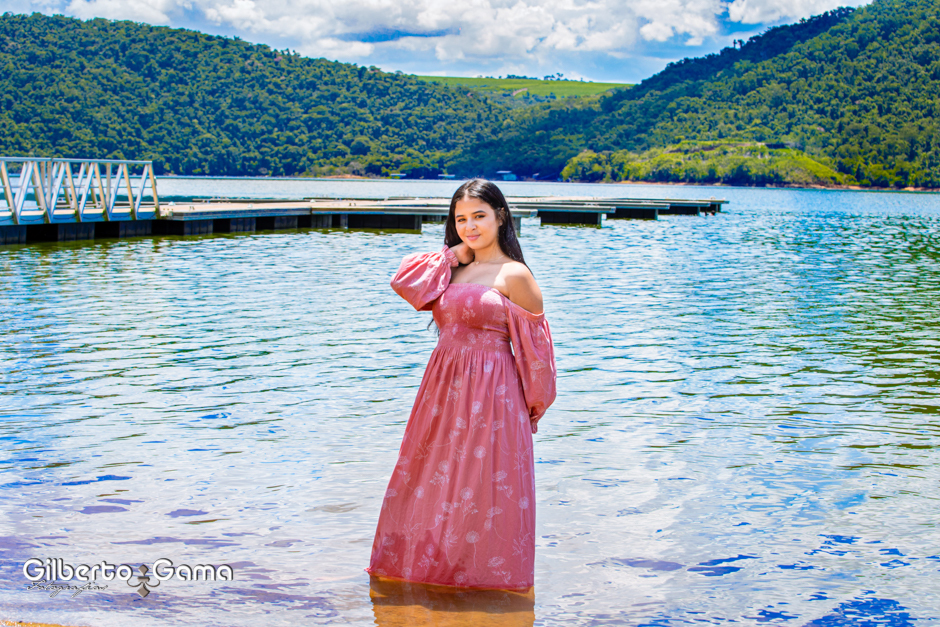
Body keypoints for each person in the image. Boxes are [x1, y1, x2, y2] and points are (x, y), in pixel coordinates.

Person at [366, 178, 557, 591]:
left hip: (493, 394)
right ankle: (425, 575)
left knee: (482, 485)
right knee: (426, 477)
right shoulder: (452, 269)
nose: (470, 226)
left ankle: (481, 583)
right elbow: (404, 281)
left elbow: (538, 354)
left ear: (501, 216)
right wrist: (452, 254)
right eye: (461, 219)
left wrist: (531, 408)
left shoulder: (515, 274)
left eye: (479, 216)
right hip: (441, 390)